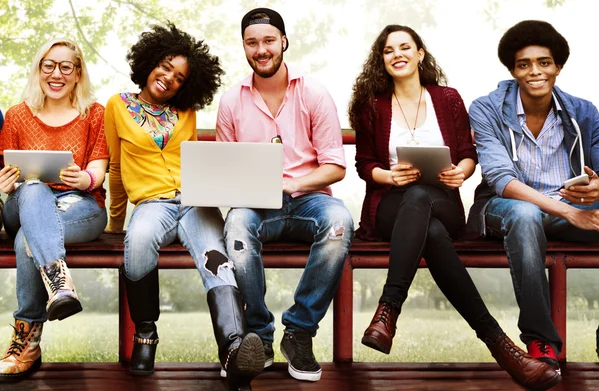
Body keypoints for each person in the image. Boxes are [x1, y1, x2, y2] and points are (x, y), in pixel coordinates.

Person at [349, 24, 560, 390]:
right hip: (390, 206)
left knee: (423, 201)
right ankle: (503, 347)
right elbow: (365, 164)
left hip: (442, 200)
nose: (397, 54)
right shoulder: (373, 105)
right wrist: (389, 175)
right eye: (388, 50)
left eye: (405, 47)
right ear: (381, 60)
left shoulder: (446, 98)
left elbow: (468, 154)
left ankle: (388, 310)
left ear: (419, 54)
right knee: (422, 217)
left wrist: (459, 173)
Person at [104, 23, 264, 390]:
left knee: (217, 258)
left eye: (179, 78)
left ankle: (234, 350)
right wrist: (115, 223)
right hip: (152, 203)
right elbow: (115, 168)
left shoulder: (186, 112)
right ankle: (145, 334)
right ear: (149, 63)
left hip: (194, 202)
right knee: (139, 239)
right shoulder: (118, 106)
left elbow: (195, 162)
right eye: (164, 66)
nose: (168, 79)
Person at [216, 7, 354, 383]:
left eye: (268, 41)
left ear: (284, 42)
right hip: (258, 206)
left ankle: (299, 332)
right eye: (252, 43)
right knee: (237, 225)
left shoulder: (313, 93)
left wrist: (292, 184)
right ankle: (258, 335)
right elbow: (227, 171)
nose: (261, 50)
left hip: (309, 199)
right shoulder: (231, 101)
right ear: (244, 46)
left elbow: (335, 167)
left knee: (340, 221)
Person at [468, 19, 599, 376]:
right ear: (512, 70)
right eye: (524, 64)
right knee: (526, 215)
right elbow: (500, 179)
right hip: (504, 208)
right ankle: (541, 342)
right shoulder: (486, 108)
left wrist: (597, 187)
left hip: (568, 207)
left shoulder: (583, 111)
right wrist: (570, 213)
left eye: (544, 62)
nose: (535, 71)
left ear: (558, 67)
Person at [0, 38, 108, 380]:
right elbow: (7, 172)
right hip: (23, 204)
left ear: (78, 74)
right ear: (39, 69)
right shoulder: (17, 115)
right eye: (49, 65)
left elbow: (98, 171)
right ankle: (60, 285)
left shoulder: (95, 114)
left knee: (26, 242)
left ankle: (26, 340)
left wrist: (83, 179)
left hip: (80, 207)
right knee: (33, 188)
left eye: (66, 66)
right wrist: (5, 184)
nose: (56, 73)